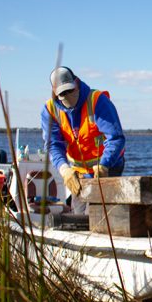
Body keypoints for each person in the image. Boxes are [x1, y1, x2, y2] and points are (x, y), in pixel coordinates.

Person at [41, 66, 126, 213]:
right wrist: (64, 169)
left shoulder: (97, 101)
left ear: (76, 82)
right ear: (55, 93)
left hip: (108, 167)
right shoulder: (50, 110)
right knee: (79, 216)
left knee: (98, 214)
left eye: (70, 90)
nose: (68, 95)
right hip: (79, 173)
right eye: (62, 93)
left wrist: (104, 164)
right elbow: (53, 145)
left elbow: (116, 138)